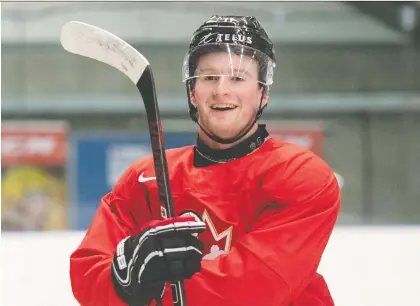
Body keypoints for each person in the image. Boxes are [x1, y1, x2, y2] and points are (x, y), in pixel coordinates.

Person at [70, 15, 341, 306]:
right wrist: (125, 282)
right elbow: (87, 272)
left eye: (237, 78)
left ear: (263, 94)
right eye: (209, 77)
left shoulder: (299, 175)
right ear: (192, 91)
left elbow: (254, 290)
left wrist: (151, 292)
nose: (221, 90)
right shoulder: (145, 177)